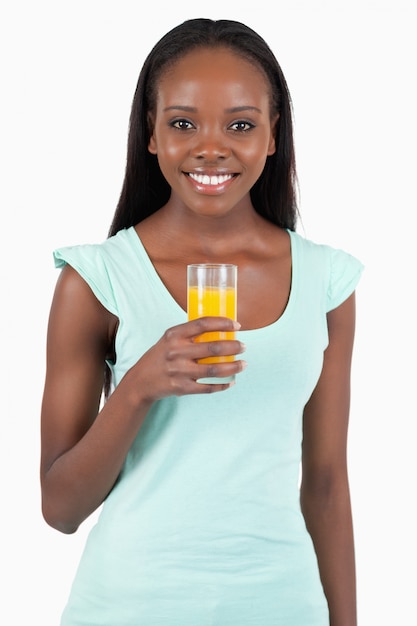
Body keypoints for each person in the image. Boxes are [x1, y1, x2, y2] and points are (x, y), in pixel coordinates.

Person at [40, 18, 363, 626]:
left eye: (240, 124)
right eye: (183, 122)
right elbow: (60, 508)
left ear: (272, 137)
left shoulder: (326, 282)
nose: (210, 147)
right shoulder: (95, 280)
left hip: (284, 607)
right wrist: (138, 384)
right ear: (151, 135)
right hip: (128, 607)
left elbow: (325, 485)